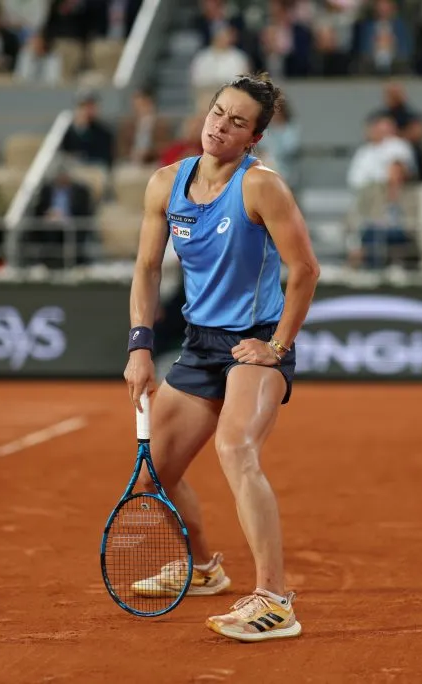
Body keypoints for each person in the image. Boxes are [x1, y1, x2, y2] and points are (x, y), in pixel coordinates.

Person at [122, 72, 320, 642]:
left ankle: (275, 600)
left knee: (236, 449)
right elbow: (147, 268)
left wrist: (276, 347)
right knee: (153, 475)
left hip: (254, 342)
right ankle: (202, 568)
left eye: (237, 123)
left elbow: (305, 270)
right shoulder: (166, 184)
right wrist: (140, 346)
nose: (220, 128)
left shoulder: (262, 187)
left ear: (253, 138)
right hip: (199, 343)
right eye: (217, 113)